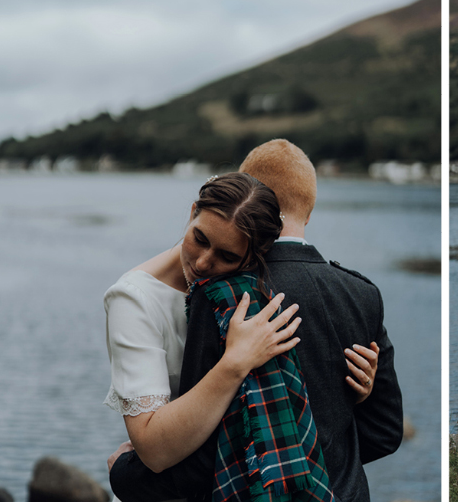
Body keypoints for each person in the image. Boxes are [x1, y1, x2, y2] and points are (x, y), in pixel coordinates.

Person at [108, 141, 402, 502]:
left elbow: (207, 461)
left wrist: (123, 473)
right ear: (309, 212)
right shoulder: (363, 294)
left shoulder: (226, 296)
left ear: (253, 201)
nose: (203, 263)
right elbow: (384, 432)